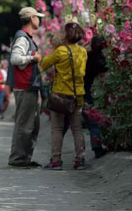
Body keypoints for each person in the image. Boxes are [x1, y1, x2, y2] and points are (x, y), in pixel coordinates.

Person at [40, 22, 88, 170]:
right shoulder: (83, 51)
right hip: (77, 95)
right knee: (77, 129)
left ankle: (56, 161)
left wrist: (55, 47)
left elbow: (44, 63)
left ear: (67, 35)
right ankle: (80, 160)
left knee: (57, 128)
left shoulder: (60, 51)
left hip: (60, 96)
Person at [7, 6, 44, 168]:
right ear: (31, 19)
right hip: (24, 87)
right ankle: (17, 159)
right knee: (24, 124)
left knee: (32, 125)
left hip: (29, 86)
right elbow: (15, 59)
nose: (39, 20)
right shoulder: (22, 37)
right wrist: (32, 57)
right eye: (37, 17)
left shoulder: (26, 37)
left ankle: (25, 158)